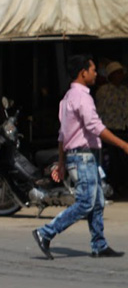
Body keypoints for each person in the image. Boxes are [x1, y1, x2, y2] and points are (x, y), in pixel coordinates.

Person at [33, 54, 128, 260]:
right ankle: (45, 232)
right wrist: (122, 144)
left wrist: (61, 161)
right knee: (86, 202)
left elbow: (62, 134)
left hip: (80, 156)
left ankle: (99, 244)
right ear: (83, 72)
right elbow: (95, 126)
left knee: (97, 201)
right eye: (93, 70)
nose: (96, 74)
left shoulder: (68, 97)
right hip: (83, 157)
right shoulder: (82, 97)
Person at [95, 60, 128, 191]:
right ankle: (114, 185)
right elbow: (100, 110)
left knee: (124, 159)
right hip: (110, 128)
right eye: (117, 73)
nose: (121, 76)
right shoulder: (103, 91)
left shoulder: (125, 90)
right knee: (114, 160)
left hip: (124, 127)